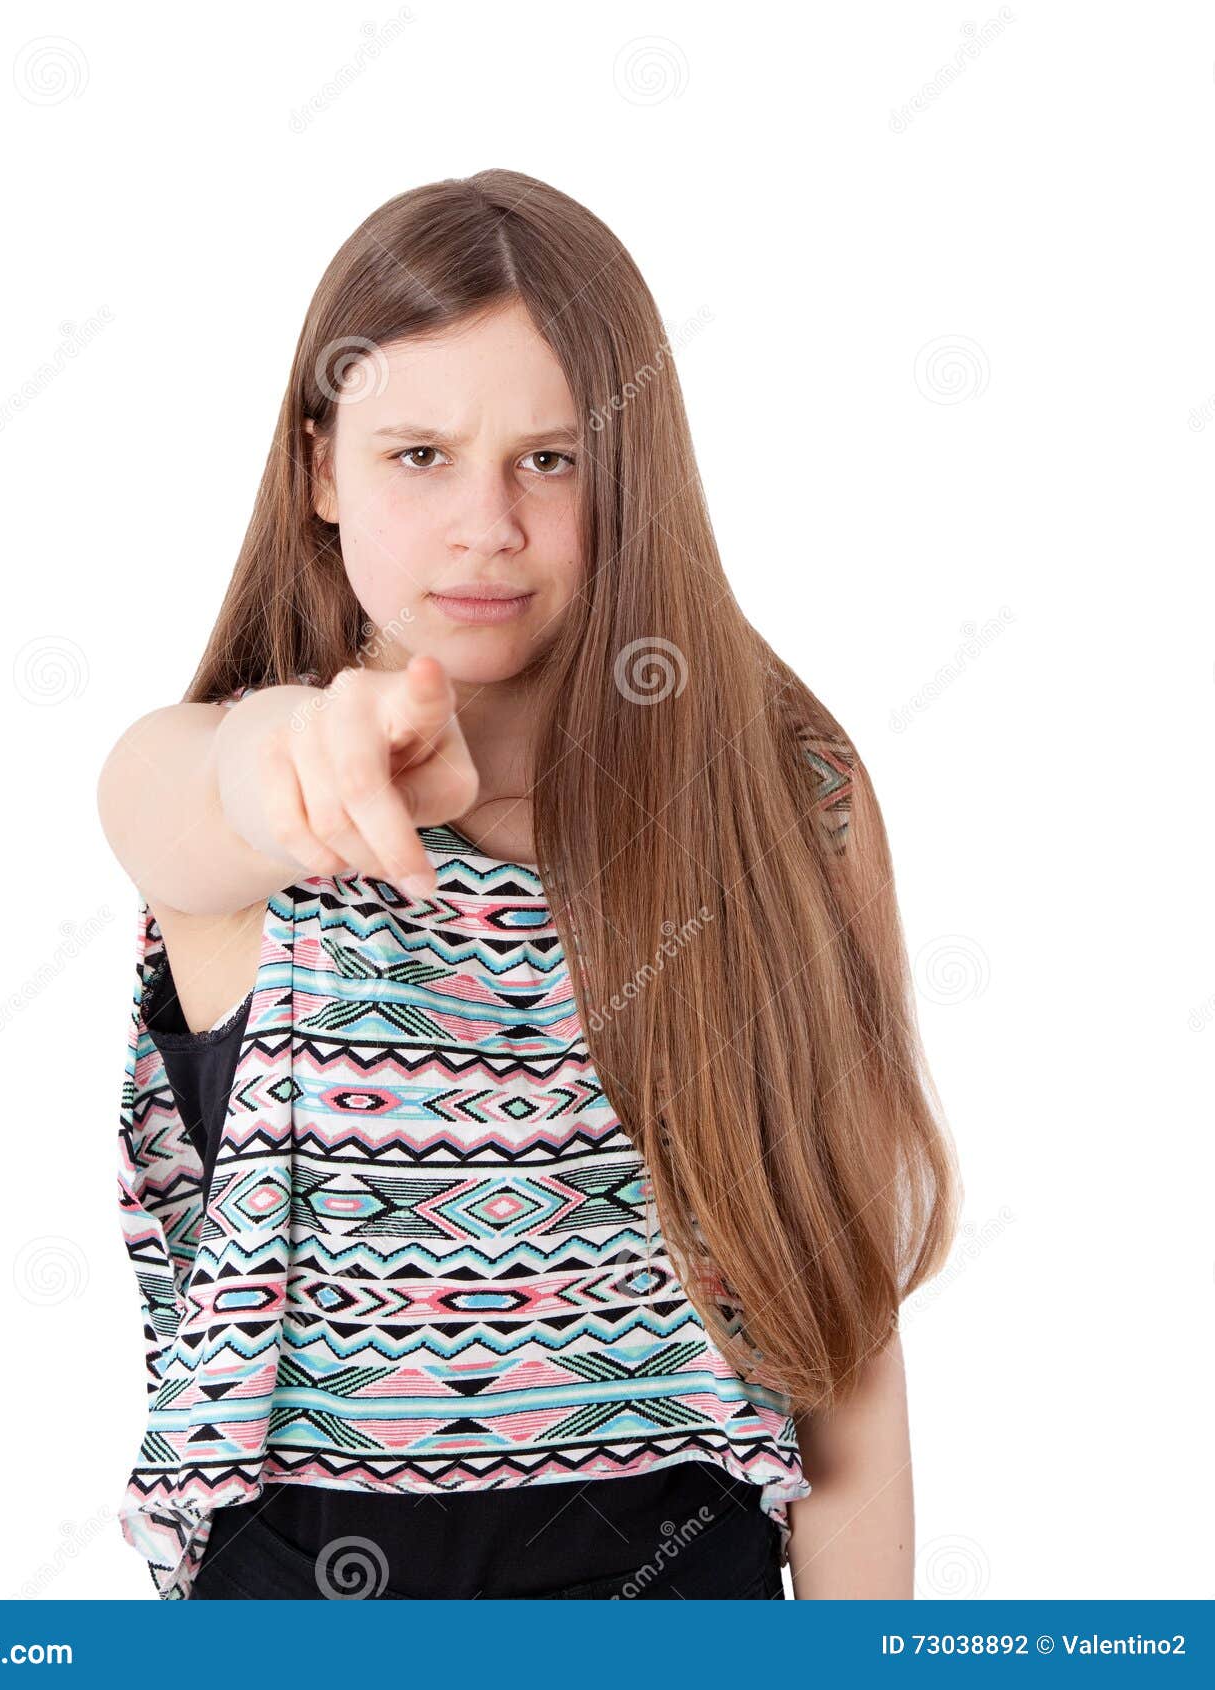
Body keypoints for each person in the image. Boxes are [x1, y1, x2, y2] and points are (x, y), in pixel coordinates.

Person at [96, 167, 960, 1602]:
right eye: (418, 455)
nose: (485, 523)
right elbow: (193, 796)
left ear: (630, 470)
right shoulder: (216, 793)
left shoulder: (783, 800)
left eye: (549, 459)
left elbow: (838, 1327)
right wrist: (307, 757)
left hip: (682, 1584)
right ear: (320, 470)